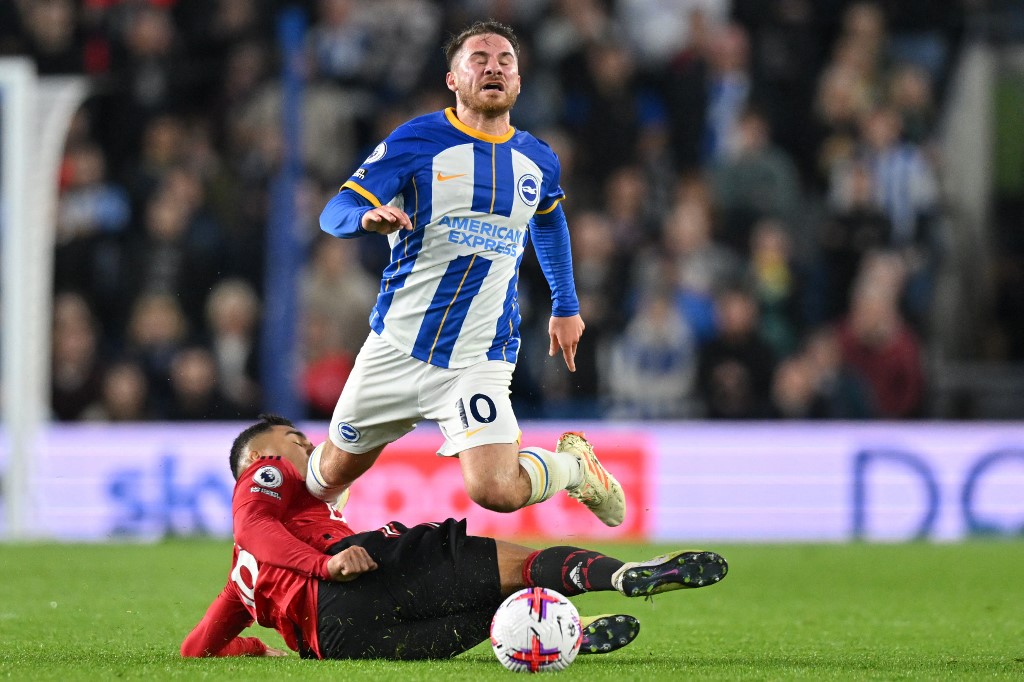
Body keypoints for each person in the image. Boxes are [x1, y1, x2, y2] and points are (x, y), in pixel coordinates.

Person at [309, 20, 626, 527]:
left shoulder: (538, 160)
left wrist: (566, 305)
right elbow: (336, 209)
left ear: (519, 82)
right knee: (328, 475)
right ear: (453, 79)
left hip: (478, 356)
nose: (494, 67)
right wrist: (364, 217)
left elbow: (549, 221)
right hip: (396, 345)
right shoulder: (418, 140)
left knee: (496, 490)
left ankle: (574, 468)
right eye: (479, 59)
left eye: (505, 61)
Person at [181, 415, 728, 660]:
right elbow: (254, 528)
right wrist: (327, 566)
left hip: (342, 647)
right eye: (296, 440)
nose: (308, 448)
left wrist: (258, 648)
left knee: (493, 619)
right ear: (259, 456)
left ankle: (558, 634)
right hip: (355, 576)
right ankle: (622, 575)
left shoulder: (238, 587)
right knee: (521, 565)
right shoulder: (265, 472)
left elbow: (195, 648)